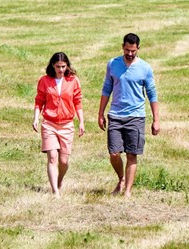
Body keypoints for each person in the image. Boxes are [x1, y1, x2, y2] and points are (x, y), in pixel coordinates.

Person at [98, 33, 160, 197]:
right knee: (114, 153)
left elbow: (152, 94)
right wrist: (100, 113)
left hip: (136, 116)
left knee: (132, 154)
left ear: (138, 48)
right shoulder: (113, 64)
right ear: (122, 47)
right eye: (127, 50)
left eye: (133, 50)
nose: (130, 54)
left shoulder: (145, 68)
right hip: (116, 115)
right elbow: (106, 89)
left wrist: (156, 120)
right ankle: (121, 178)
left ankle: (127, 192)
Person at [32, 52, 85, 196]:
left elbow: (77, 102)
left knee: (64, 161)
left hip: (67, 124)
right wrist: (36, 118)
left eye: (63, 66)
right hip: (49, 123)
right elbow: (39, 101)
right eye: (57, 67)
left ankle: (59, 180)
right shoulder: (44, 80)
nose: (60, 70)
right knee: (52, 157)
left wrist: (81, 122)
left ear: (67, 66)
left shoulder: (73, 81)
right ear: (52, 66)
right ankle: (55, 191)